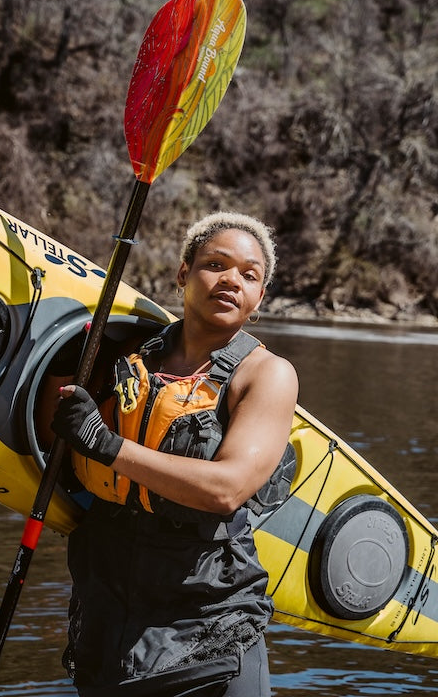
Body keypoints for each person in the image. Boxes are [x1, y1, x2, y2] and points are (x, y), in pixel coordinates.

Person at [51, 211, 299, 697]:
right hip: (106, 595)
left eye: (249, 275)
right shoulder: (127, 354)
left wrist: (106, 445)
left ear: (259, 298)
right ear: (184, 273)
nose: (231, 280)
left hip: (207, 613)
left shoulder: (267, 374)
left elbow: (226, 490)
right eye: (216, 265)